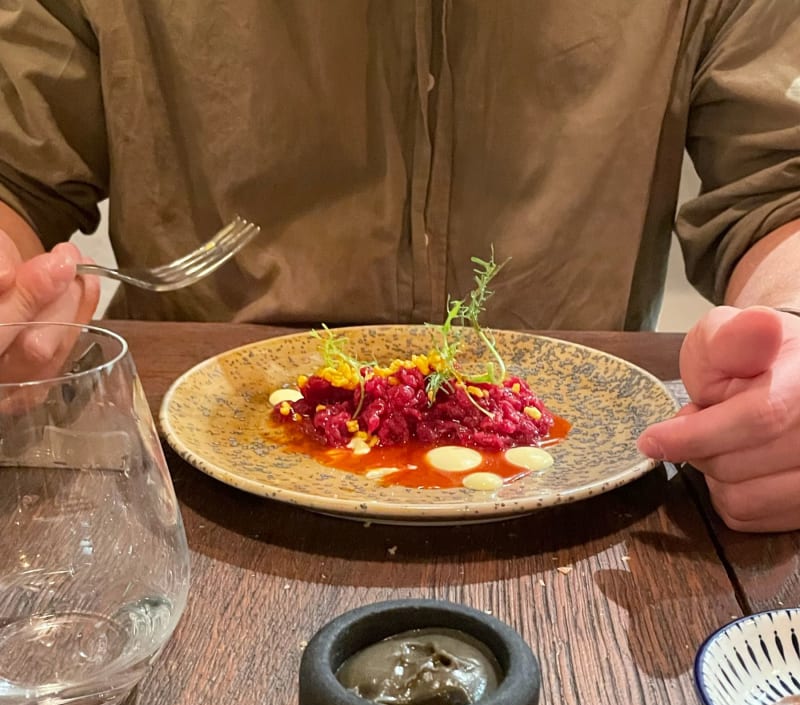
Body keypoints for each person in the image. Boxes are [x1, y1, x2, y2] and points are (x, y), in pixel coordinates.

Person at [0, 1, 799, 532]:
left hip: (592, 494)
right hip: (175, 498)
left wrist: (787, 340)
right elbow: (14, 165)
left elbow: (779, 184)